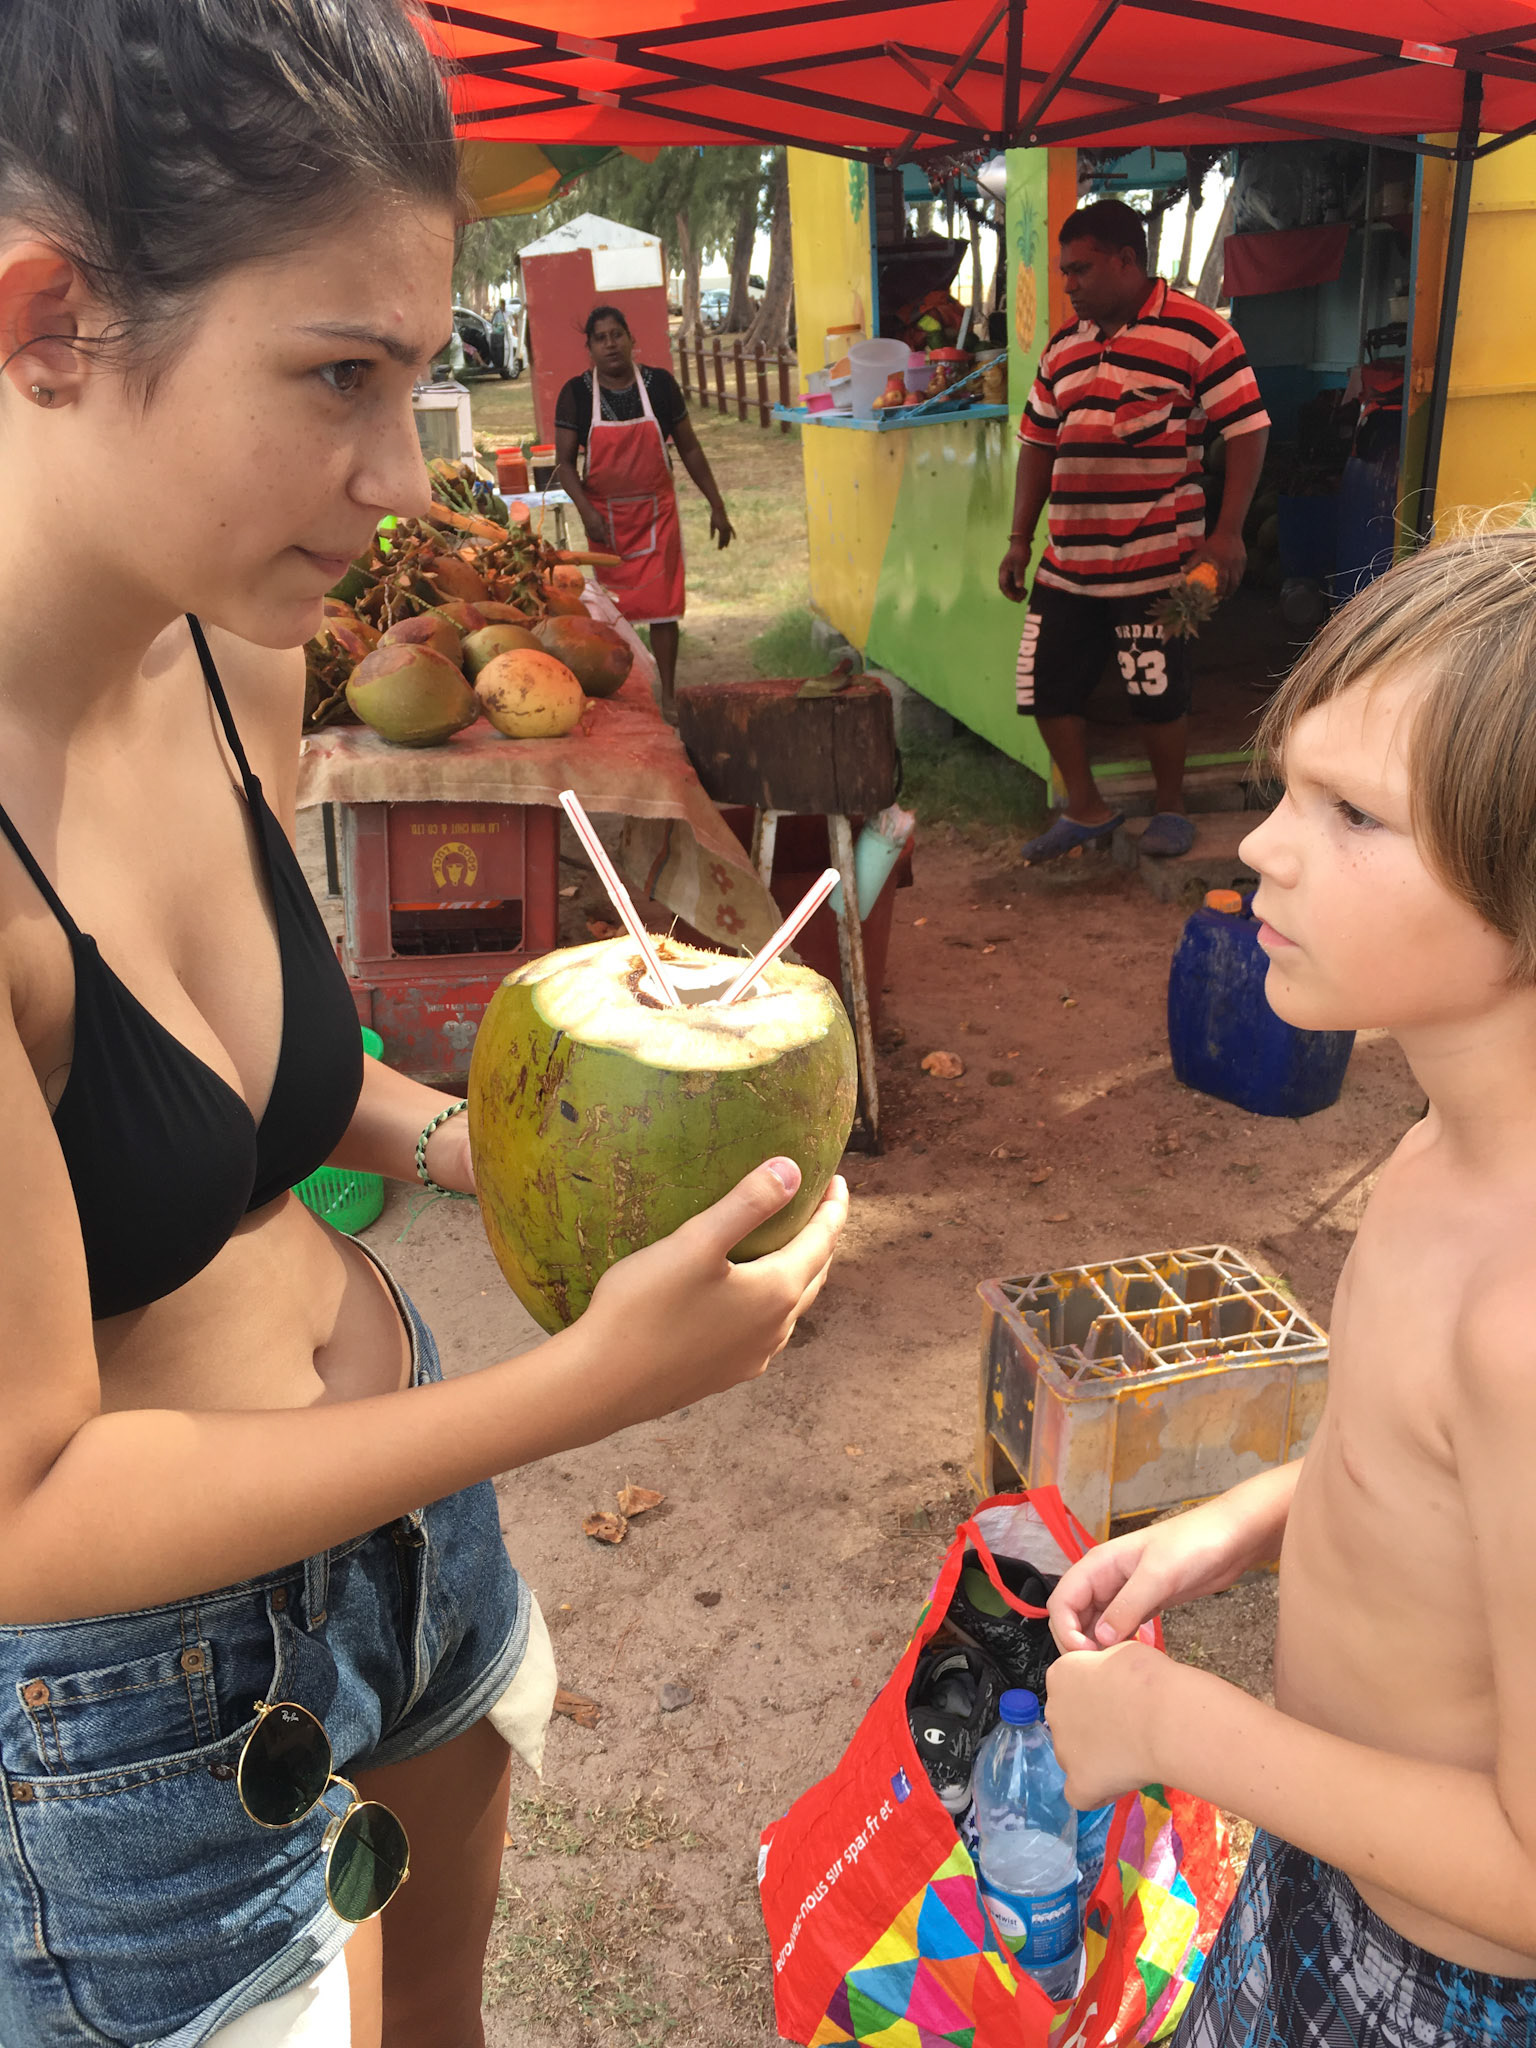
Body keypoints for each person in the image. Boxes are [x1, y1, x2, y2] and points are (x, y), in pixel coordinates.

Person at [0, 6, 845, 2047]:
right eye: (339, 378)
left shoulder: (231, 657)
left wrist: (497, 1144)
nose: (399, 483)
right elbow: (27, 1509)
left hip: (404, 1520)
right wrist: (585, 1388)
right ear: (47, 323)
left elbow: (239, 1085)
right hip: (146, 1693)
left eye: (416, 375)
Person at [1044, 528, 1536, 2045]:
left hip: (1447, 1990)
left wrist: (1177, 1725)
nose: (1261, 846)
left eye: (1352, 813)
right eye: (1285, 791)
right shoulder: (1434, 1155)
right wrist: (1238, 1524)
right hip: (1327, 1873)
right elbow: (1410, 1472)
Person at [998, 199, 1269, 864]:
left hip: (1158, 560)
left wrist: (1228, 534)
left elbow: (1247, 428)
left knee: (1157, 691)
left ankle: (1171, 807)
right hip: (1067, 561)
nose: (1069, 284)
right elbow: (1038, 444)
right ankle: (1086, 808)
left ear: (1126, 260)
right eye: (1065, 272)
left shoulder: (1201, 334)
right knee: (1042, 686)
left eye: (1081, 269)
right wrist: (1019, 540)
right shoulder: (1063, 348)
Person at [554, 305, 734, 718]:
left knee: (663, 608)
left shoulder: (660, 386)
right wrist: (586, 512)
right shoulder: (576, 393)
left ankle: (667, 694)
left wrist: (717, 504)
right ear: (590, 348)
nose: (611, 344)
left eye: (617, 334)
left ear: (632, 339)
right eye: (601, 338)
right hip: (606, 522)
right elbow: (564, 464)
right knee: (609, 614)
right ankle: (625, 700)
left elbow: (689, 448)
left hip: (657, 517)